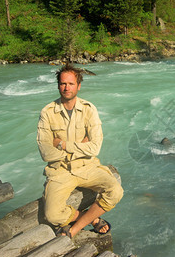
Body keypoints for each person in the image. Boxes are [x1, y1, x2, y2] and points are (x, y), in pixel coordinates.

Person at [37, 63, 123, 238]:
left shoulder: (89, 110)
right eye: (63, 84)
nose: (66, 87)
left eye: (70, 84)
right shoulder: (47, 112)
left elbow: (95, 147)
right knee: (52, 214)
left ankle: (74, 229)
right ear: (58, 85)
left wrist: (62, 144)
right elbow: (45, 152)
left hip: (86, 166)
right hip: (59, 170)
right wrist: (81, 146)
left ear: (78, 86)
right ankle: (90, 219)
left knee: (116, 191)